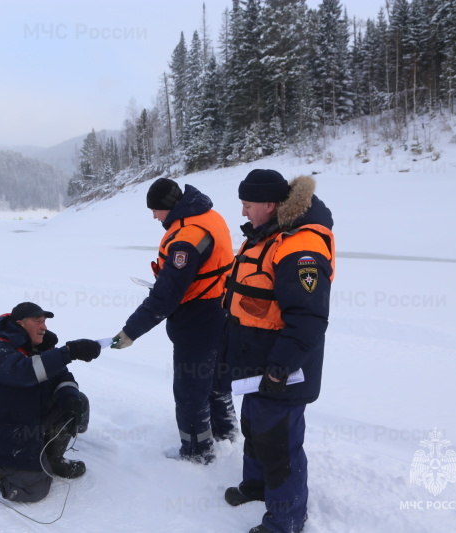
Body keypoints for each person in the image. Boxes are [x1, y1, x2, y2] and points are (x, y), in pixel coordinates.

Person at [220, 169, 335, 533]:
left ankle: (286, 520)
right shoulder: (265, 235)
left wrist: (279, 368)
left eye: (248, 205)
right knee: (254, 427)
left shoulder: (301, 247)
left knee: (279, 443)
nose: (243, 212)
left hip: (282, 370)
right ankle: (256, 486)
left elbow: (308, 319)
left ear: (270, 205)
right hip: (256, 365)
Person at [110, 178, 237, 464]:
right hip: (223, 310)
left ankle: (197, 452)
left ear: (169, 207)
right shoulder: (209, 216)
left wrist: (131, 332)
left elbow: (166, 296)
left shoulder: (186, 239)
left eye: (155, 210)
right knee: (216, 381)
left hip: (198, 320)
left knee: (191, 389)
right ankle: (227, 435)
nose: (154, 216)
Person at [0, 302, 101, 503]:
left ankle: (53, 456)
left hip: (31, 417)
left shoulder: (41, 347)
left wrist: (70, 398)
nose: (43, 326)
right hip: (6, 427)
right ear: (21, 324)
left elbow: (63, 377)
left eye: (44, 321)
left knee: (78, 400)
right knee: (33, 491)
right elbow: (25, 372)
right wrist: (69, 352)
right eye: (37, 321)